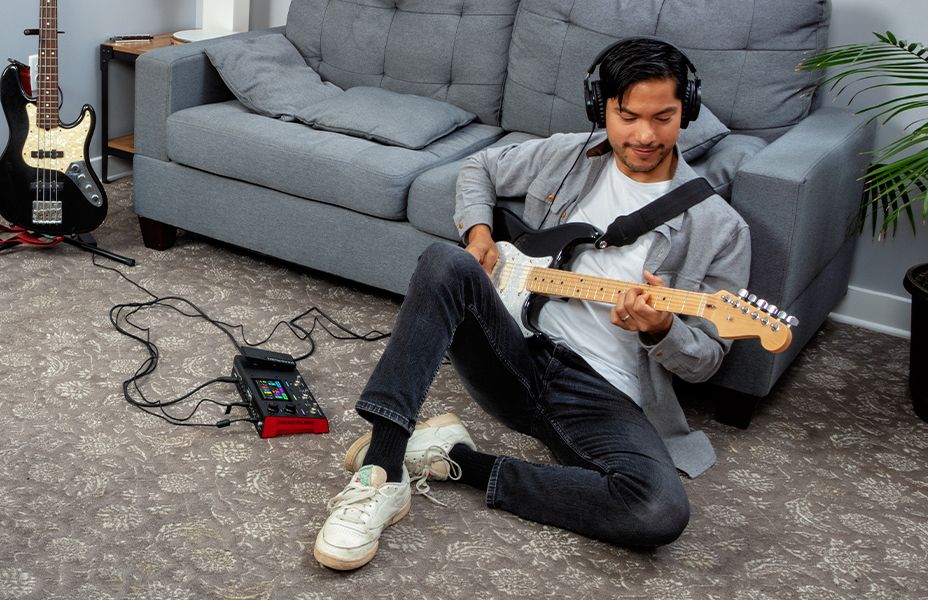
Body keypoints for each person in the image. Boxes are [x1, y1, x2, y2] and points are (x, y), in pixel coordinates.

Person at [312, 37, 752, 571]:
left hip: (604, 394)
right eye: (627, 116)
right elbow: (480, 167)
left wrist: (662, 330)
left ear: (688, 110)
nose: (644, 135)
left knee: (657, 511)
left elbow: (707, 362)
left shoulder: (720, 228)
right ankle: (381, 470)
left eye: (664, 117)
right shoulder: (568, 154)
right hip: (515, 347)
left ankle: (453, 461)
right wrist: (479, 234)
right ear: (601, 108)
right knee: (446, 261)